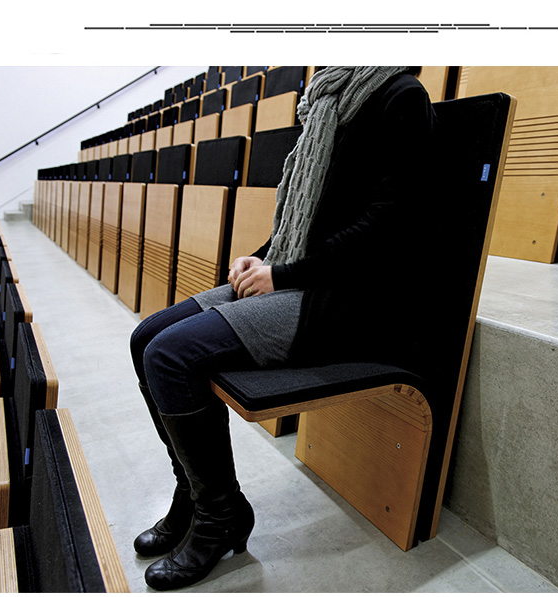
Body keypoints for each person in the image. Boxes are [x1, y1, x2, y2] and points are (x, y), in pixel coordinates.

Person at [130, 66, 437, 591]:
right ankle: (195, 494)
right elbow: (307, 218)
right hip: (304, 277)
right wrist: (263, 257)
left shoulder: (401, 97)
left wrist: (282, 274)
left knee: (169, 356)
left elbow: (386, 229)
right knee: (145, 339)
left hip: (351, 300)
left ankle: (218, 515)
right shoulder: (328, 98)